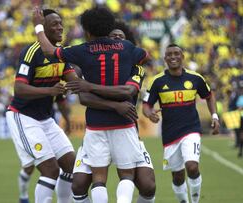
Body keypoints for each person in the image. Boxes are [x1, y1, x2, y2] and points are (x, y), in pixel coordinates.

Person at [33, 7, 150, 203]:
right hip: (124, 122)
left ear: (87, 30)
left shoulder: (83, 50)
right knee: (127, 175)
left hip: (96, 124)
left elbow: (48, 50)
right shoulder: (127, 47)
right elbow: (145, 56)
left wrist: (38, 25)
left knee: (98, 179)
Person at [65, 20, 156, 203]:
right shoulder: (92, 65)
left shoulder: (136, 68)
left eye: (120, 38)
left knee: (148, 185)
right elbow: (84, 98)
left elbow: (128, 91)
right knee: (78, 184)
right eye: (112, 37)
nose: (115, 40)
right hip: (97, 130)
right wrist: (115, 105)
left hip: (126, 131)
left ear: (126, 44)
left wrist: (89, 87)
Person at [6, 9, 77, 203]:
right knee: (50, 170)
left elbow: (72, 84)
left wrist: (68, 119)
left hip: (46, 119)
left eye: (60, 23)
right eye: (54, 24)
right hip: (23, 116)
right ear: (42, 28)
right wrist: (50, 91)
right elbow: (19, 88)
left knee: (72, 165)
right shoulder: (31, 52)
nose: (60, 27)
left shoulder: (61, 54)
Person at [142, 44, 220, 203]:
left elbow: (209, 96)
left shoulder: (195, 78)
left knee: (192, 166)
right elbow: (146, 105)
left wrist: (215, 116)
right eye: (169, 54)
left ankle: (195, 201)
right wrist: (150, 114)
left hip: (191, 130)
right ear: (165, 59)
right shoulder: (157, 81)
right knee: (177, 176)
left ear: (182, 57)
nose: (173, 57)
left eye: (176, 53)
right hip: (170, 134)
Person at [17, 96, 72, 203]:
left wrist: (67, 120)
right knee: (29, 168)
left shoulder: (56, 81)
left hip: (48, 122)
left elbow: (60, 99)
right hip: (28, 124)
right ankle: (23, 196)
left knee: (65, 165)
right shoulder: (31, 82)